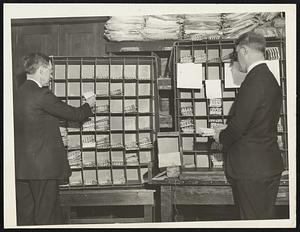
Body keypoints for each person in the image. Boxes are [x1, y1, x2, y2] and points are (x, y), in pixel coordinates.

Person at [14, 53, 95, 225]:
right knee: (47, 216)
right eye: (50, 72)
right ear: (42, 71)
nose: (51, 76)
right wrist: (89, 104)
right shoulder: (42, 95)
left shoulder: (16, 94)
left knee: (25, 217)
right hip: (43, 169)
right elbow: (75, 114)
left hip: (21, 169)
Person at [213, 32, 284, 220]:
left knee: (252, 222)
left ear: (243, 50)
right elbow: (257, 123)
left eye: (236, 55)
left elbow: (238, 128)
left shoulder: (252, 82)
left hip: (251, 171)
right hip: (268, 166)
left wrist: (220, 135)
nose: (237, 61)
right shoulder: (271, 79)